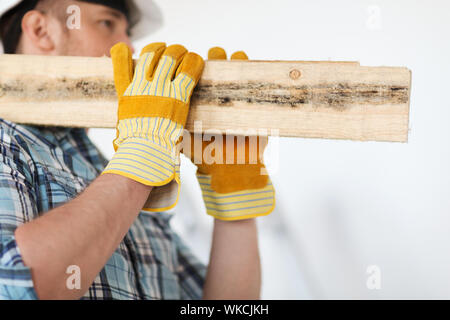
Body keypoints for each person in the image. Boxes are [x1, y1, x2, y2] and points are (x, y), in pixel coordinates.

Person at [0, 0, 275, 300]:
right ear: (41, 31)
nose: (129, 46)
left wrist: (233, 196)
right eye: (107, 23)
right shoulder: (7, 143)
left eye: (128, 31)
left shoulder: (113, 178)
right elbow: (14, 287)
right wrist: (142, 152)